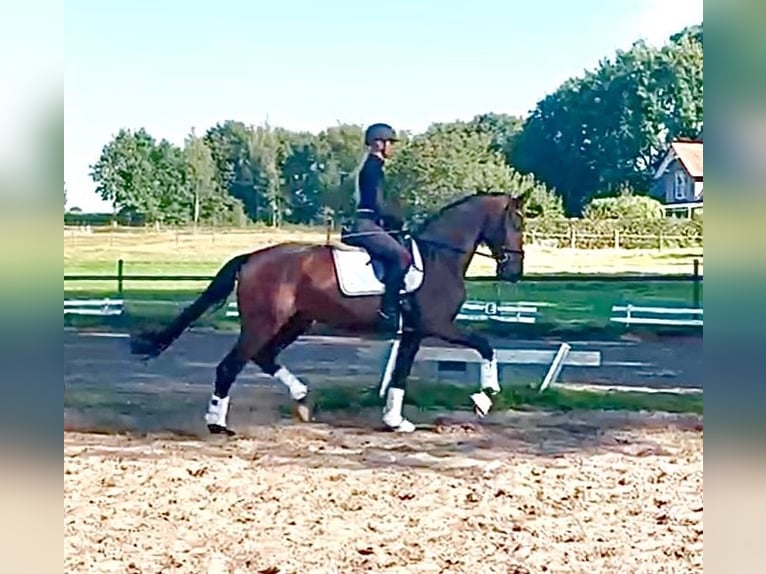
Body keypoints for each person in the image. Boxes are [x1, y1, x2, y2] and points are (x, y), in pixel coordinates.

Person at [347, 122, 413, 332]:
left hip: (373, 221)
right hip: (366, 223)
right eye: (390, 142)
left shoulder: (374, 166)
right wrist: (395, 219)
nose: (392, 147)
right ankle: (388, 310)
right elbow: (376, 203)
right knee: (402, 257)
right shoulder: (372, 167)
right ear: (378, 144)